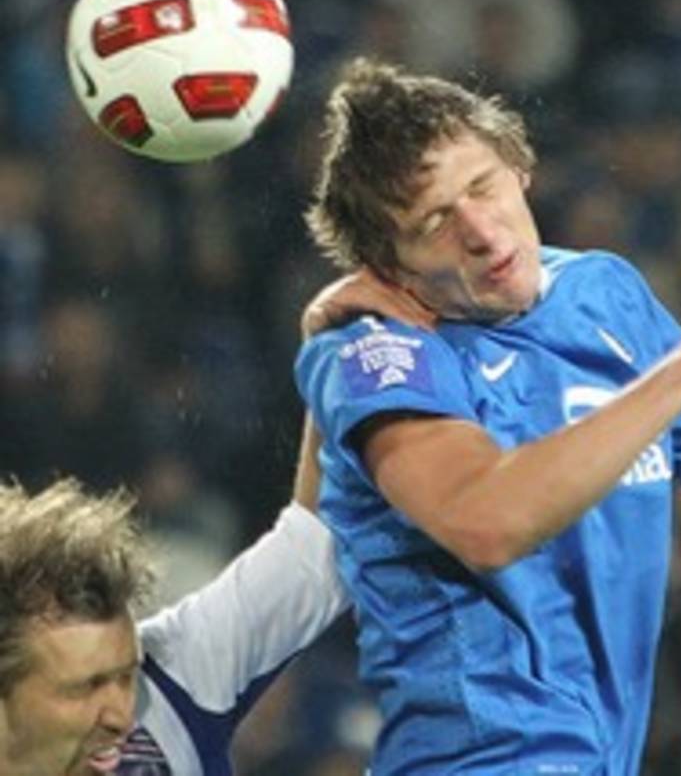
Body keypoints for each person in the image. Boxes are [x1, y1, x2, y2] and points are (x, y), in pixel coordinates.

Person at [296, 57, 681, 776]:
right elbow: (485, 521)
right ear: (387, 266)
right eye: (434, 222)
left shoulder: (603, 297)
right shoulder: (380, 354)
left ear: (520, 167)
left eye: (482, 187)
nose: (480, 231)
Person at [0, 275, 434, 776]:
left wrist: (337, 361)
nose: (120, 716)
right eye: (83, 689)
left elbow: (319, 543)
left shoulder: (172, 679)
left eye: (125, 676)